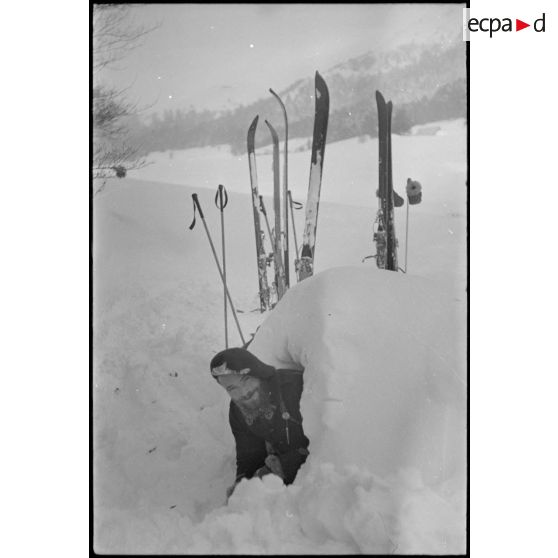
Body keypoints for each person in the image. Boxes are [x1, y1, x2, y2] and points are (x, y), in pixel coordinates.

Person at [209, 347, 309, 498]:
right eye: (232, 388)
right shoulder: (238, 411)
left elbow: (325, 447)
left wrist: (283, 467)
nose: (243, 392)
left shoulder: (293, 388)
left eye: (246, 380)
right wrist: (242, 486)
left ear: (258, 373)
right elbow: (249, 455)